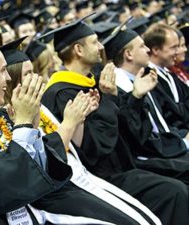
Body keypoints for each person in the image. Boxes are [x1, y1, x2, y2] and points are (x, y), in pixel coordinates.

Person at [0, 22, 129, 225]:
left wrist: (31, 123)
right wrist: (23, 124)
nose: (8, 78)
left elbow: (33, 170)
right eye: (3, 71)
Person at [41, 16, 189, 224]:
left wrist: (135, 97)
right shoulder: (61, 93)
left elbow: (129, 132)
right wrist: (109, 99)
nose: (101, 46)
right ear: (78, 50)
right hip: (102, 178)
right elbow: (94, 149)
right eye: (94, 42)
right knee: (175, 193)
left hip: (126, 165)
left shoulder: (95, 81)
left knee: (180, 178)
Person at [1, 38, 162, 225]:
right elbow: (60, 154)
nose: (37, 77)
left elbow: (76, 146)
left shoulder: (41, 107)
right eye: (29, 73)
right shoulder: (19, 113)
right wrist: (71, 122)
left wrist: (81, 116)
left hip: (84, 175)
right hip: (63, 188)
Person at [103, 26, 189, 185]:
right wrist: (136, 97)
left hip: (163, 144)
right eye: (142, 46)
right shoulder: (120, 88)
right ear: (128, 54)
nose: (147, 49)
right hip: (147, 156)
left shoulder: (141, 79)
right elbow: (138, 136)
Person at [143, 23, 189, 138]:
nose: (177, 52)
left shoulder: (168, 75)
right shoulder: (149, 79)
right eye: (174, 47)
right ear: (156, 50)